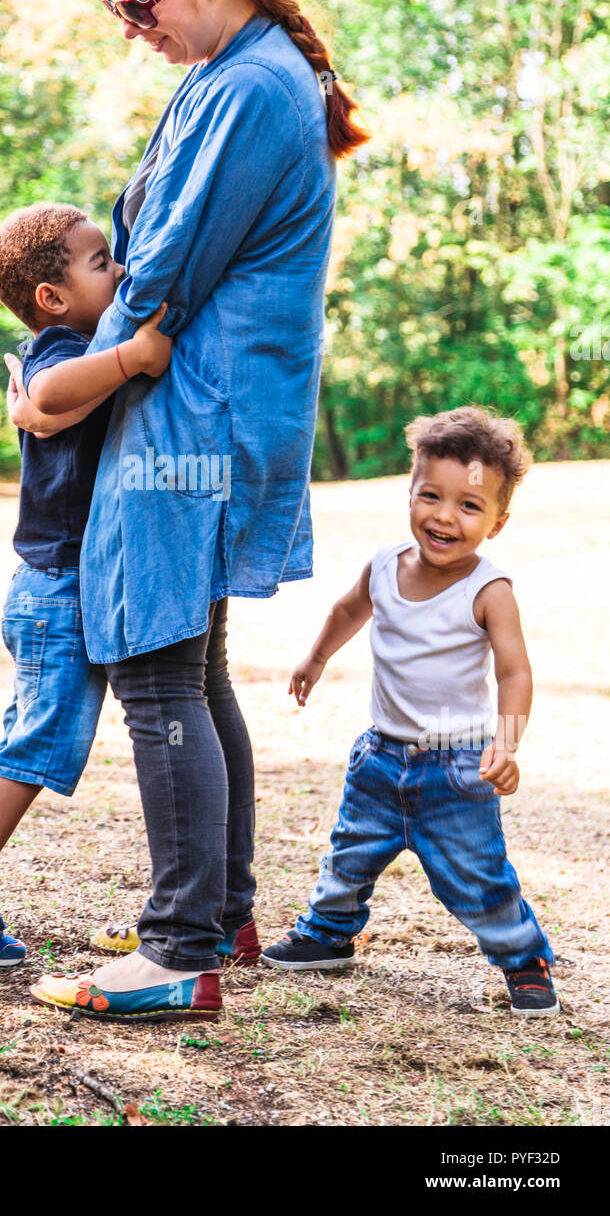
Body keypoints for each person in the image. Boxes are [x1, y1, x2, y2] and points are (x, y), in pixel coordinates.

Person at [11, 0, 369, 1022]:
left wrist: (59, 387)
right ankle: (219, 915)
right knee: (193, 669)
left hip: (190, 423)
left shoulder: (250, 88)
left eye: (136, 3)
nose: (132, 29)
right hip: (206, 414)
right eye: (117, 10)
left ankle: (177, 954)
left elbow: (159, 272)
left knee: (155, 669)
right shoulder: (243, 76)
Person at [0, 202, 171, 998]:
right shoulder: (61, 348)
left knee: (28, 743)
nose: (118, 270)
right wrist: (134, 356)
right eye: (99, 263)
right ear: (51, 297)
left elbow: (47, 405)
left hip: (60, 585)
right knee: (37, 748)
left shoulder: (81, 345)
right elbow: (48, 395)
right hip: (56, 586)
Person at [261, 407, 560, 1018]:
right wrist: (315, 660)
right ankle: (328, 932)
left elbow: (514, 672)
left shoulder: (489, 590)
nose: (445, 516)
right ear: (410, 493)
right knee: (350, 850)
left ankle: (523, 957)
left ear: (497, 523)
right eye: (431, 496)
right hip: (380, 756)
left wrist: (506, 743)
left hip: (457, 771)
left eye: (470, 506)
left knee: (477, 876)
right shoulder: (385, 563)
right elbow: (349, 610)